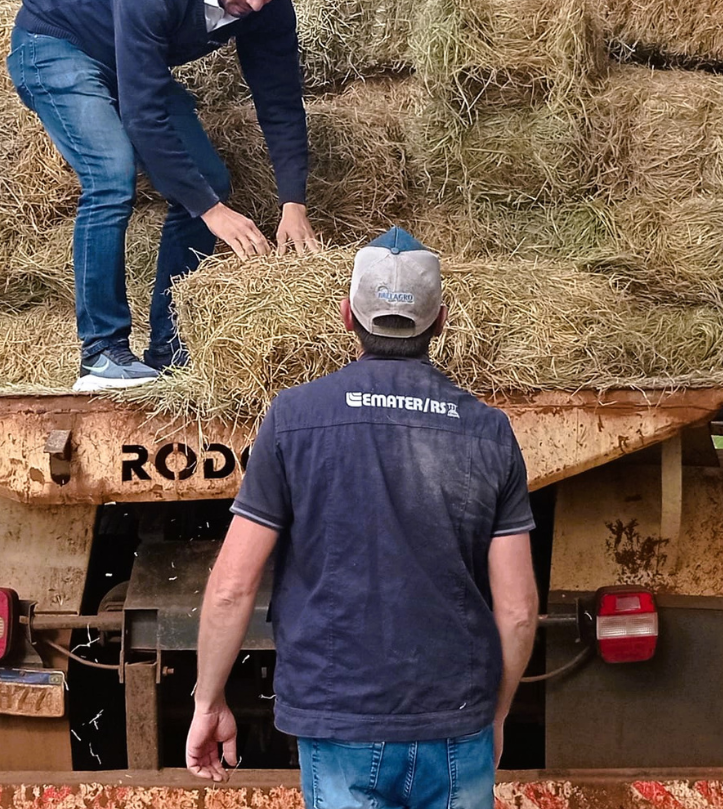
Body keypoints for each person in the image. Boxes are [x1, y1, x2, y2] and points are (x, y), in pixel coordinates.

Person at [185, 227, 539, 809]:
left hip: (340, 719)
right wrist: (494, 714)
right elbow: (519, 610)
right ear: (441, 322)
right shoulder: (488, 431)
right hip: (456, 721)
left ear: (347, 315)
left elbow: (231, 589)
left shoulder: (295, 418)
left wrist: (207, 702)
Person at [6, 0, 321, 392]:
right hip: (54, 43)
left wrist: (293, 202)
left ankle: (169, 350)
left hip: (125, 57)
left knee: (210, 181)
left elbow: (280, 102)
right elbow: (143, 114)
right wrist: (212, 212)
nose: (255, 4)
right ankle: (103, 354)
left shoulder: (267, 7)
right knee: (111, 175)